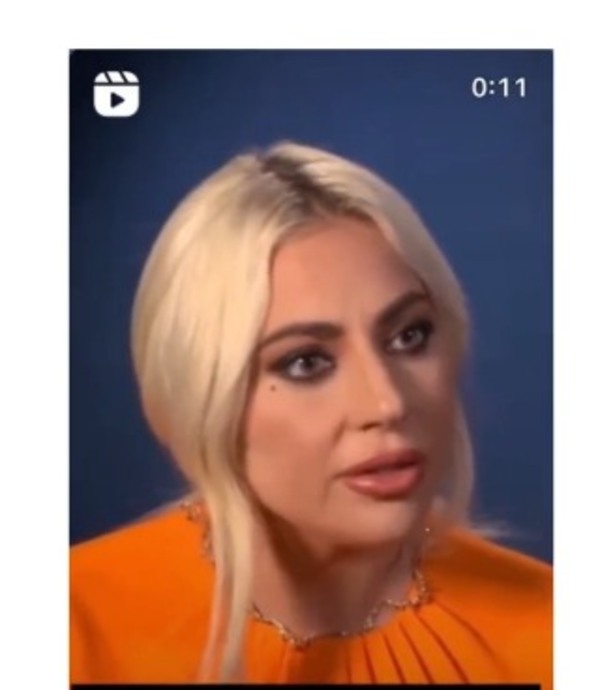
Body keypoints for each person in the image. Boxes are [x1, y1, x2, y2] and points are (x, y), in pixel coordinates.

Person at [70, 141, 552, 686]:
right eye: (306, 363)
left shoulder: (554, 635)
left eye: (409, 335)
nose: (387, 403)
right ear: (199, 400)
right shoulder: (70, 631)